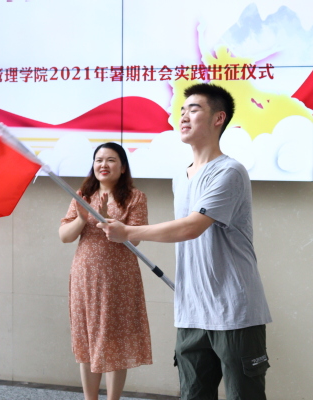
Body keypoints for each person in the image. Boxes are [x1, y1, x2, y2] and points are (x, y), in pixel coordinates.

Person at [98, 83, 272, 400]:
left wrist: (129, 232)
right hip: (191, 311)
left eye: (194, 109)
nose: (184, 116)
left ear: (218, 118)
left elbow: (191, 227)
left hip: (233, 311)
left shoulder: (229, 172)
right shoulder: (182, 176)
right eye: (181, 110)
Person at [59, 142, 152, 400]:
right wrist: (83, 218)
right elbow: (65, 236)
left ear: (122, 167)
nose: (103, 165)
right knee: (87, 339)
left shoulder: (135, 197)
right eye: (99, 160)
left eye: (111, 160)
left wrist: (104, 220)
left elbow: (135, 239)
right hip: (85, 276)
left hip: (119, 278)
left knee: (114, 340)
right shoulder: (83, 196)